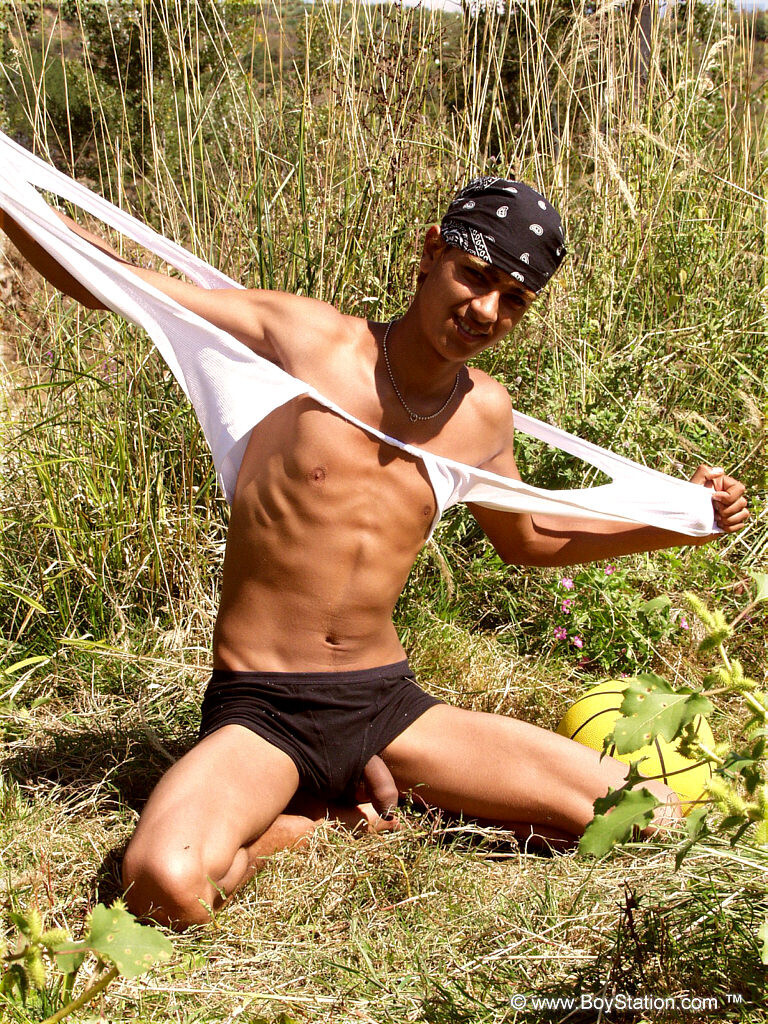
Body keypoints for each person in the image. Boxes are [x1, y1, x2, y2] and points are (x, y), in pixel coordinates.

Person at [0, 177, 748, 930]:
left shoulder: (483, 414)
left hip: (387, 706)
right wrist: (10, 196)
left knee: (652, 814)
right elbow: (110, 279)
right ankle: (312, 823)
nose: (486, 311)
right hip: (265, 711)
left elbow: (530, 539)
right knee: (162, 884)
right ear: (431, 253)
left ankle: (380, 793)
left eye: (514, 300)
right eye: (475, 276)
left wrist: (683, 522)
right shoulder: (305, 341)